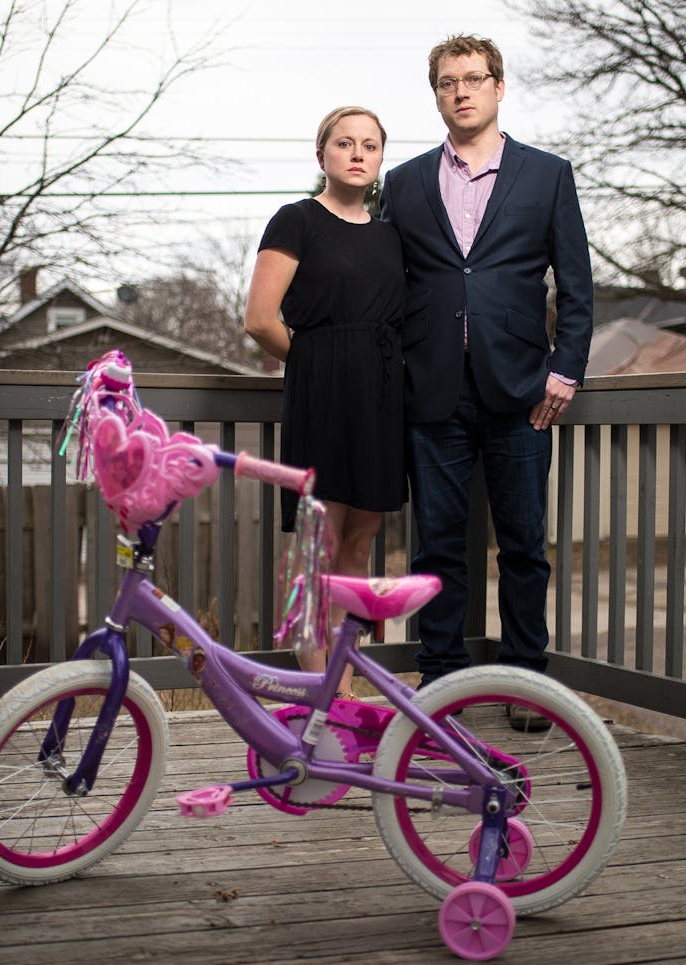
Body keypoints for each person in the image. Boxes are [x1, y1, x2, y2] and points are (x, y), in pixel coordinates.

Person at [380, 35, 594, 729]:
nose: (461, 91)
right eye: (448, 82)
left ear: (500, 88)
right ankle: (441, 684)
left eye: (474, 79)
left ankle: (527, 682)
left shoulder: (548, 175)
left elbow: (578, 285)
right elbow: (388, 288)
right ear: (436, 93)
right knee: (436, 547)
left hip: (523, 392)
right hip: (433, 392)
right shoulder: (406, 182)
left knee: (524, 543)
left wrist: (565, 368)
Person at [244, 106, 406, 693]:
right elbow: (260, 320)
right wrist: (317, 365)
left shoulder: (392, 233)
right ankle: (325, 701)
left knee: (361, 543)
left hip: (384, 398)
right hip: (324, 394)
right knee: (321, 544)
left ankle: (344, 682)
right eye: (344, 143)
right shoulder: (296, 220)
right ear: (322, 156)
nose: (358, 153)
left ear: (380, 158)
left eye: (370, 144)